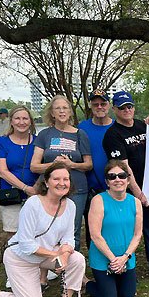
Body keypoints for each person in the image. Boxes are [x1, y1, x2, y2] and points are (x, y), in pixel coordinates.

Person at [0, 162, 86, 297]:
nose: (62, 183)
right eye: (56, 179)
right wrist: (56, 253)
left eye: (66, 179)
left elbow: (69, 237)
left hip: (45, 256)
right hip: (20, 258)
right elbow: (27, 245)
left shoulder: (70, 205)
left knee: (77, 259)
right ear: (46, 182)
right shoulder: (33, 204)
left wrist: (65, 254)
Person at [103, 90, 149, 276]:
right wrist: (138, 192)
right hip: (126, 190)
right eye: (122, 107)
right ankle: (120, 264)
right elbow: (123, 168)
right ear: (115, 109)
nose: (127, 110)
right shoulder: (112, 135)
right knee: (125, 227)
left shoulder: (143, 126)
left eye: (130, 106)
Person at [31, 95, 92, 251]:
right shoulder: (45, 135)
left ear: (70, 112)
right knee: (49, 227)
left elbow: (88, 164)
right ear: (52, 113)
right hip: (51, 189)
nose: (62, 111)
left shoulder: (80, 134)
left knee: (73, 229)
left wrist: (71, 164)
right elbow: (34, 166)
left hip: (77, 188)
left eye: (65, 108)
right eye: (57, 108)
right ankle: (50, 264)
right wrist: (54, 165)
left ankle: (71, 267)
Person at [86, 160, 141, 297]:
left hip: (125, 258)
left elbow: (137, 235)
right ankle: (85, 283)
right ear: (107, 182)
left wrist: (124, 258)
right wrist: (113, 260)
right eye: (112, 176)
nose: (117, 179)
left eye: (122, 175)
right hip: (104, 258)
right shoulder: (98, 200)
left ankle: (115, 280)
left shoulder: (135, 202)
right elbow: (95, 235)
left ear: (128, 180)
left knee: (128, 295)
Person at [0, 106, 37, 240]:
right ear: (11, 121)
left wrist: (35, 189)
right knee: (13, 235)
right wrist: (25, 188)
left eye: (25, 118)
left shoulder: (38, 141)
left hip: (36, 194)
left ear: (30, 121)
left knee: (36, 233)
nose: (21, 122)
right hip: (11, 194)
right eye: (17, 118)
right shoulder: (1, 142)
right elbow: (3, 171)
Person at [78, 89, 114, 248]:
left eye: (103, 103)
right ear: (91, 106)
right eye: (95, 104)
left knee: (114, 226)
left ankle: (116, 262)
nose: (100, 107)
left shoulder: (117, 126)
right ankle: (97, 265)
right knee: (93, 229)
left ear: (109, 105)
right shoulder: (82, 128)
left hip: (115, 186)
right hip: (90, 187)